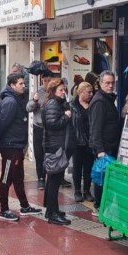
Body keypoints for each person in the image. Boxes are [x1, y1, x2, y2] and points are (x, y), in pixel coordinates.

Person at [0, 73, 43, 222]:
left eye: (24, 83)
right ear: (12, 85)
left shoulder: (17, 99)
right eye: (21, 83)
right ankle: (4, 210)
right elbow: (2, 124)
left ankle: (24, 206)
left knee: (18, 178)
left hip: (16, 146)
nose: (24, 86)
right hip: (10, 147)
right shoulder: (10, 101)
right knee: (6, 178)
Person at [42, 79, 74, 225]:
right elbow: (52, 124)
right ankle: (53, 214)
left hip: (56, 145)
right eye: (61, 90)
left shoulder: (57, 103)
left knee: (53, 180)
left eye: (64, 89)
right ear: (54, 90)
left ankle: (51, 209)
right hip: (55, 146)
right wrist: (66, 116)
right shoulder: (53, 104)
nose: (63, 92)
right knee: (55, 181)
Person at [89, 70, 120, 211]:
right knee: (101, 178)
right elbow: (95, 128)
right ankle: (99, 206)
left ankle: (103, 206)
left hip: (110, 145)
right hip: (104, 148)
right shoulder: (100, 101)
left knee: (107, 178)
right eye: (107, 83)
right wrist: (100, 150)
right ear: (101, 84)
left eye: (112, 83)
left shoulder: (108, 99)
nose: (110, 85)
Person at [26, 73, 53, 190]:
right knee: (39, 153)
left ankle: (55, 175)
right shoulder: (37, 92)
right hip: (39, 126)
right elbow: (28, 108)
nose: (47, 83)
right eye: (45, 80)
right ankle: (41, 178)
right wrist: (35, 100)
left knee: (52, 153)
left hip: (52, 127)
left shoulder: (55, 92)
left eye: (49, 80)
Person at [70, 81, 95, 203]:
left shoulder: (93, 104)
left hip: (90, 141)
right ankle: (77, 191)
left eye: (92, 92)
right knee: (77, 167)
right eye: (88, 92)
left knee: (89, 167)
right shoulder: (72, 106)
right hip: (77, 141)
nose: (91, 94)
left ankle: (87, 190)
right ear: (81, 92)